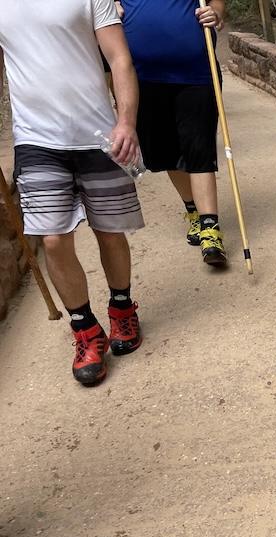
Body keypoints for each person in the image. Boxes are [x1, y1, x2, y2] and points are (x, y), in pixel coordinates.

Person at [0, 0, 145, 387]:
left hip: (98, 135)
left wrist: (126, 122)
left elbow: (119, 59)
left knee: (109, 231)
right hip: (36, 140)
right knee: (53, 239)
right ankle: (86, 332)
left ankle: (121, 308)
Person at [119, 0, 228, 268]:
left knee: (199, 149)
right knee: (166, 153)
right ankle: (193, 211)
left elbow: (217, 3)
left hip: (197, 74)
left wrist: (215, 13)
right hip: (144, 79)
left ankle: (210, 230)